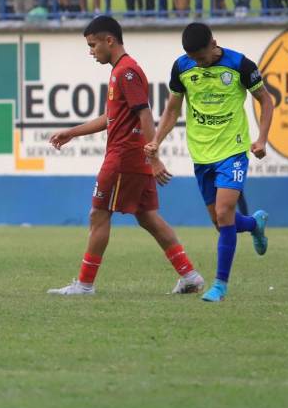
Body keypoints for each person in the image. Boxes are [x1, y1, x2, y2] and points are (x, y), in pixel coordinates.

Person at [47, 16, 204, 297]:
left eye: (93, 45)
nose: (91, 51)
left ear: (110, 40)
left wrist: (153, 156)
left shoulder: (126, 72)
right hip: (133, 156)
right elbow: (111, 117)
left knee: (98, 213)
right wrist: (72, 132)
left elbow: (144, 113)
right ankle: (190, 275)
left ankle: (84, 285)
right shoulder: (120, 70)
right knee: (147, 217)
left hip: (124, 157)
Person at [145, 22, 273, 303]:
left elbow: (266, 100)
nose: (199, 64)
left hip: (233, 150)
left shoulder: (240, 65)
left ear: (214, 43)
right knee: (220, 221)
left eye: (202, 58)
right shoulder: (182, 67)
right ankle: (254, 224)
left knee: (226, 212)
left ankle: (220, 286)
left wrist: (262, 139)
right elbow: (172, 109)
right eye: (194, 59)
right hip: (201, 154)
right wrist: (157, 141)